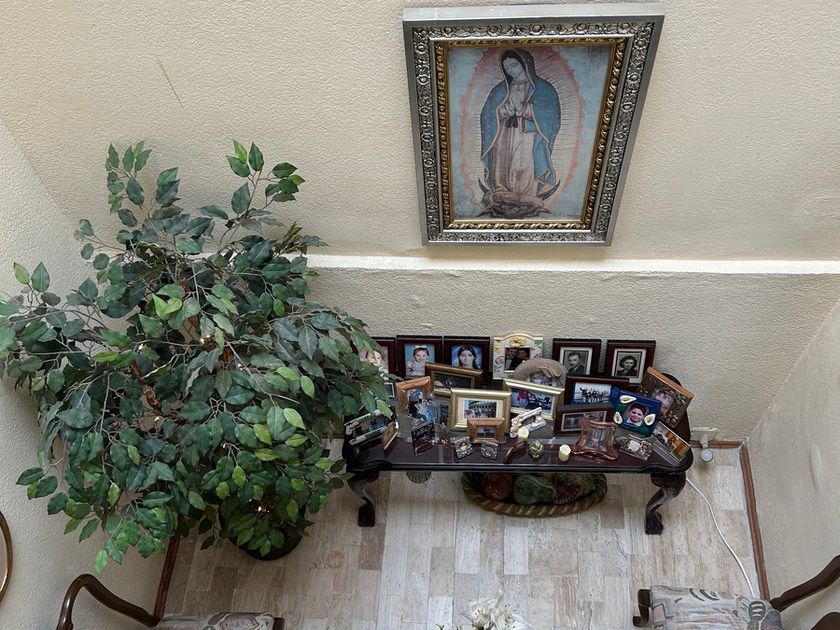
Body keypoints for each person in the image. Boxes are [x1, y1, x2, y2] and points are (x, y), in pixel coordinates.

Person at [478, 49, 561, 219]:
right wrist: (503, 110)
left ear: (525, 64)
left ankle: (526, 196)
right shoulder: (500, 89)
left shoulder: (543, 88)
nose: (510, 70)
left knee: (523, 163)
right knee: (502, 161)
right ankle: (501, 194)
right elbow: (487, 114)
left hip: (528, 134)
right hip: (503, 134)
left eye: (514, 65)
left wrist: (526, 110)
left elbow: (551, 115)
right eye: (507, 67)